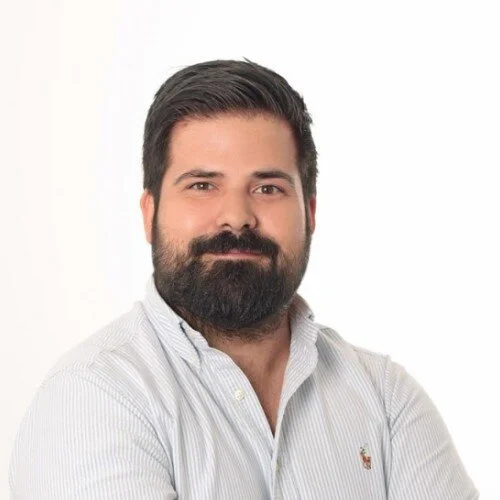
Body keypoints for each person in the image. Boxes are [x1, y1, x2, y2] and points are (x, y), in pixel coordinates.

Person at [9, 59, 478, 499]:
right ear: (149, 213)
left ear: (310, 213)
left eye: (267, 188)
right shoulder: (93, 396)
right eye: (202, 185)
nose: (236, 216)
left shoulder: (387, 398)